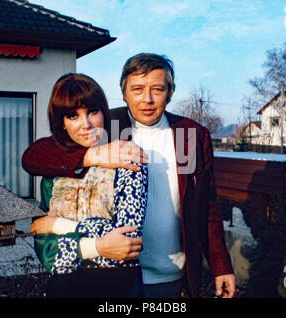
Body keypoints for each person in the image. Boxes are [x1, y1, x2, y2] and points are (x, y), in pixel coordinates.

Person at [22, 53, 235, 298]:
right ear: (123, 92)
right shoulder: (105, 124)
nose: (147, 99)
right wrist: (93, 156)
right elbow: (34, 156)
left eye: (157, 88)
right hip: (113, 275)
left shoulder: (189, 136)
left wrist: (221, 266)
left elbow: (206, 205)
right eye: (137, 89)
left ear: (170, 92)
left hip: (171, 273)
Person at [29, 73, 148, 298]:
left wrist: (58, 225)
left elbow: (126, 244)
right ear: (62, 123)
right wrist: (100, 246)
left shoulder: (126, 160)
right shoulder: (54, 173)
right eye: (73, 116)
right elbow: (47, 254)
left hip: (117, 290)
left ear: (104, 112)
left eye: (92, 111)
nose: (86, 124)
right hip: (63, 290)